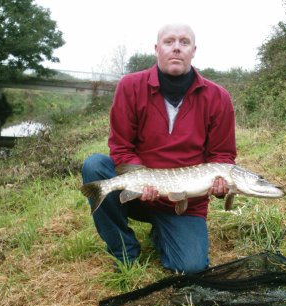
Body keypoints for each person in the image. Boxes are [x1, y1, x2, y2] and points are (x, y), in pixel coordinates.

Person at [81, 23, 236, 273]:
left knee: (192, 268)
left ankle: (163, 233)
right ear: (157, 48)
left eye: (184, 42)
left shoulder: (218, 97)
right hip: (138, 192)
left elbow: (222, 155)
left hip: (184, 204)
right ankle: (125, 250)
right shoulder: (130, 86)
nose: (176, 48)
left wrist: (219, 188)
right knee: (95, 166)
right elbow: (121, 146)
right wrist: (140, 180)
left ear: (193, 50)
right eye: (169, 42)